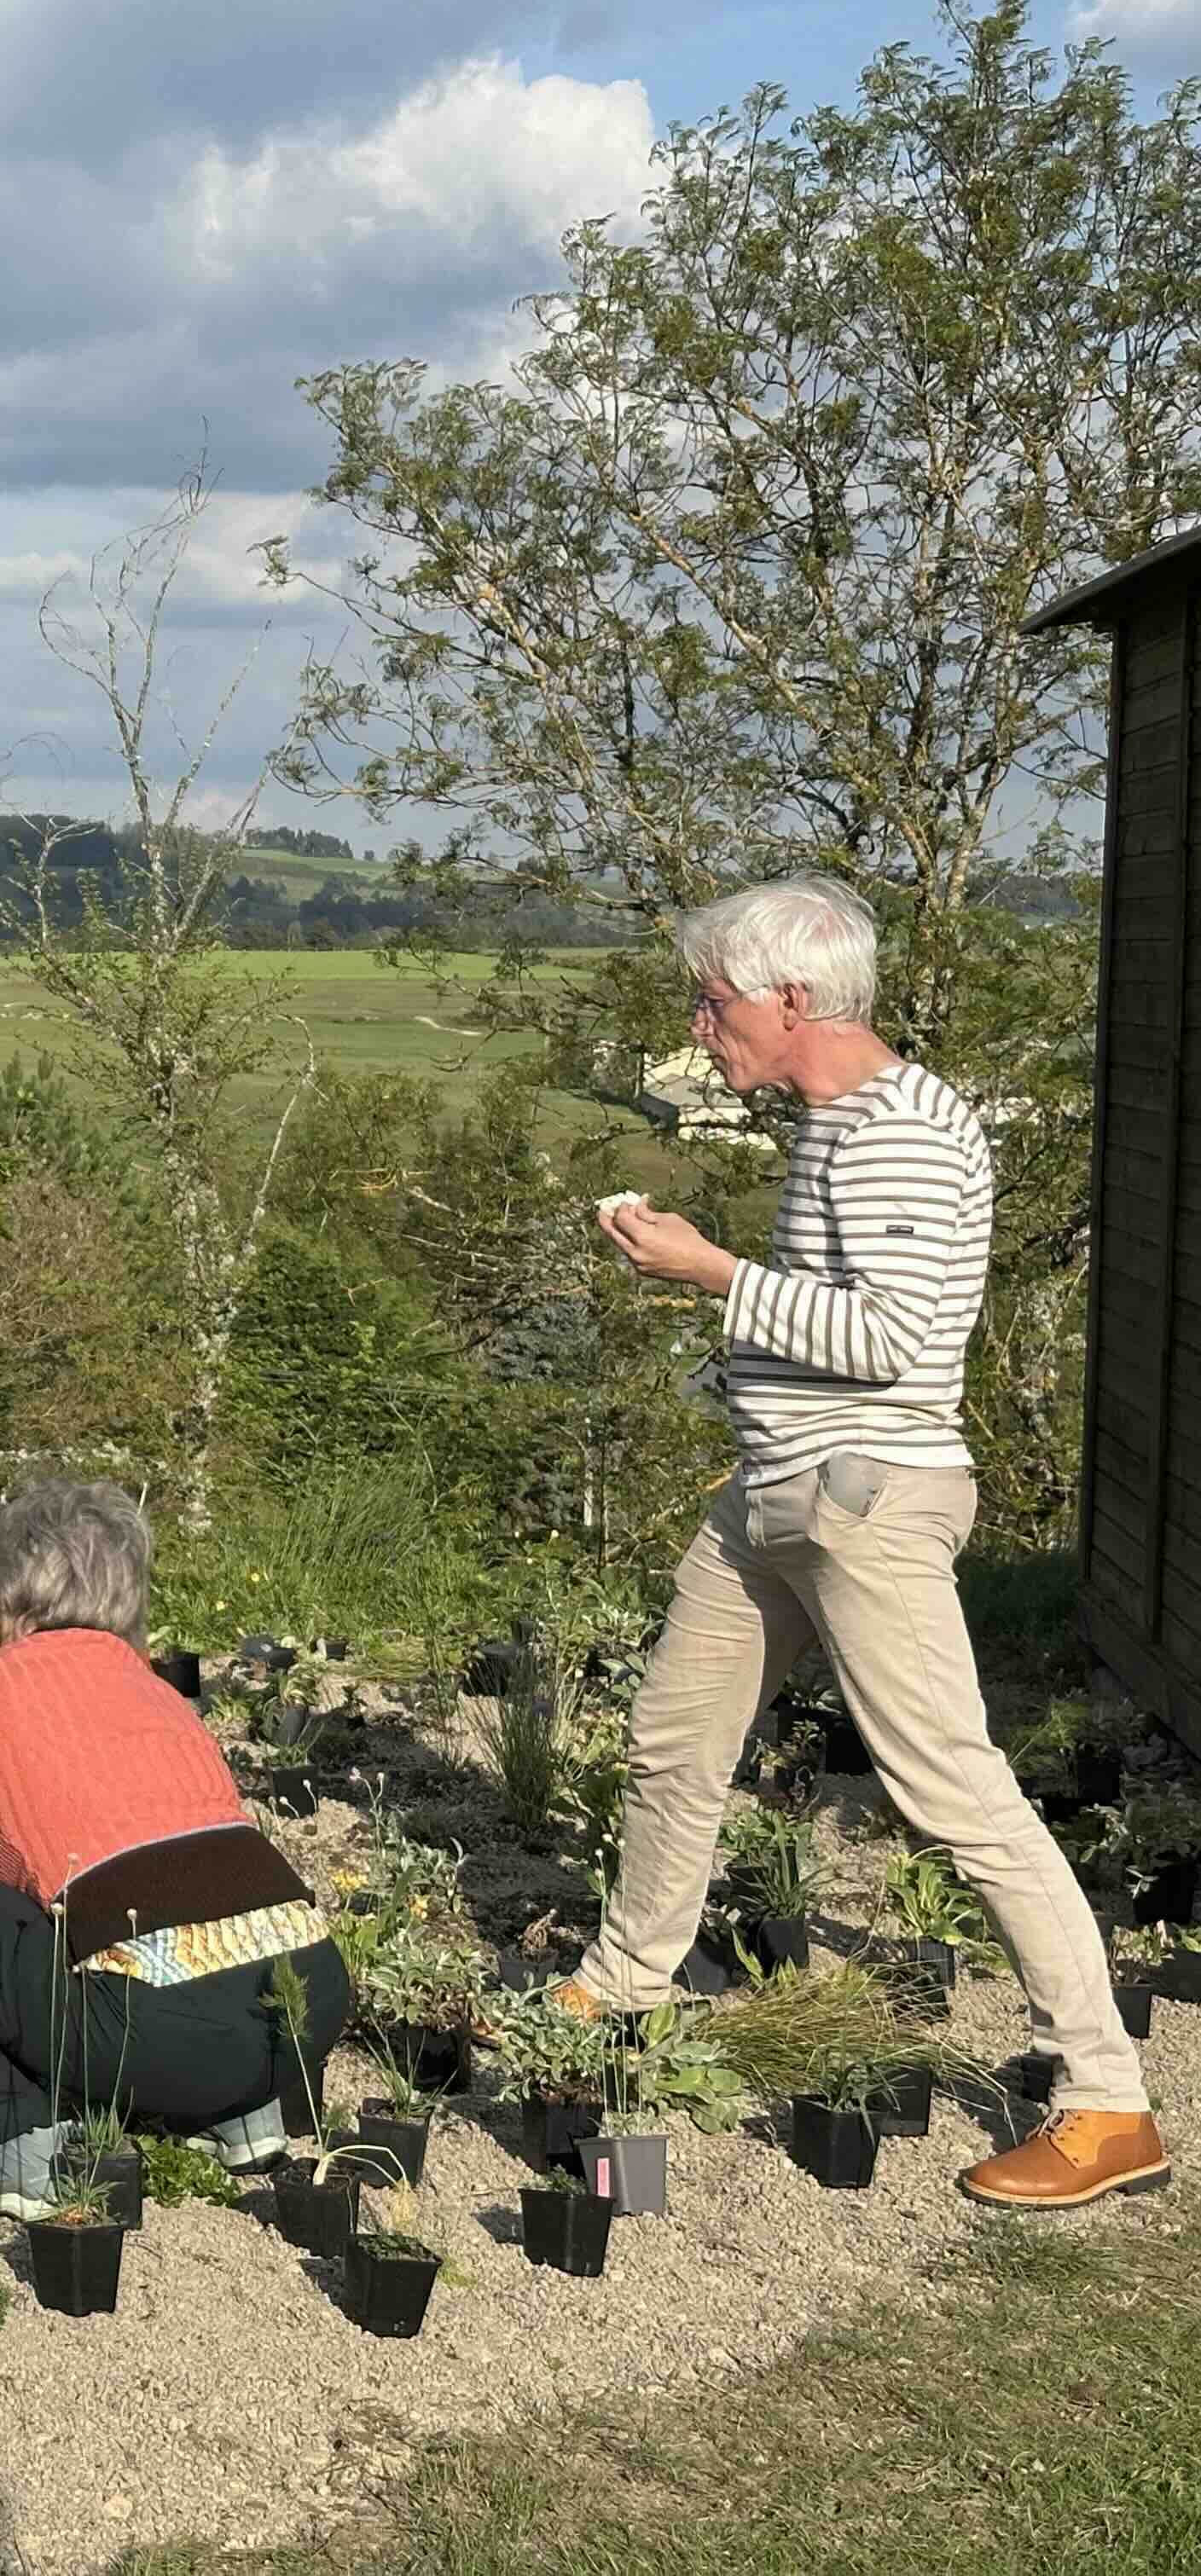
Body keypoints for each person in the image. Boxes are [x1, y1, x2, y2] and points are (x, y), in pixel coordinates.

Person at [568, 875, 1162, 2207]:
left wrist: (712, 1273)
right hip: (777, 1493)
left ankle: (1107, 2099)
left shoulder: (897, 1130)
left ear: (793, 1000)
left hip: (864, 1501)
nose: (700, 1024)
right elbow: (841, 1317)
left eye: (713, 1002)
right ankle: (620, 1984)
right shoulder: (838, 1125)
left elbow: (892, 1342)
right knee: (674, 1738)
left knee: (952, 1789)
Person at [0, 1478, 346, 2208]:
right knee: (179, 1902)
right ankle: (243, 2116)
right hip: (305, 2011)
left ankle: (5, 2144)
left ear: (8, 1592)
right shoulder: (157, 1691)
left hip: (154, 2035)